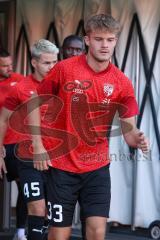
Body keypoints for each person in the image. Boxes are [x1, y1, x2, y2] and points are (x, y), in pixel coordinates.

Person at [30, 14, 149, 240]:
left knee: (97, 231)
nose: (105, 45)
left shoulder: (122, 82)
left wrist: (138, 138)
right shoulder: (64, 69)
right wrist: (37, 145)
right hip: (62, 167)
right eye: (99, 39)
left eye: (110, 40)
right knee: (59, 234)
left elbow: (129, 132)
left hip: (97, 168)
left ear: (116, 41)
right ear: (87, 40)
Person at [0, 39, 59, 240]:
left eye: (54, 62)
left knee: (51, 210)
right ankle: (21, 233)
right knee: (37, 206)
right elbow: (4, 119)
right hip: (26, 155)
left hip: (57, 155)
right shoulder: (21, 87)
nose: (51, 67)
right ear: (34, 63)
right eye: (46, 63)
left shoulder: (63, 85)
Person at [0, 49, 27, 240]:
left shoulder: (19, 79)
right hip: (1, 143)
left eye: (11, 63)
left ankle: (20, 231)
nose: (10, 68)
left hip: (17, 143)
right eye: (5, 65)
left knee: (25, 186)